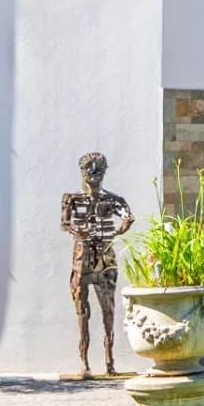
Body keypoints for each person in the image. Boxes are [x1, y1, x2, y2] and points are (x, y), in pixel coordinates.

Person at [61, 151, 133, 377]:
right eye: (88, 169)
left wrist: (123, 225)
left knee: (108, 311)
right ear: (82, 171)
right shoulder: (72, 199)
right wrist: (79, 231)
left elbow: (127, 215)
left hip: (105, 258)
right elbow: (65, 223)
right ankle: (85, 362)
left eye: (98, 170)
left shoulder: (112, 200)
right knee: (82, 312)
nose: (93, 174)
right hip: (82, 259)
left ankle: (109, 362)